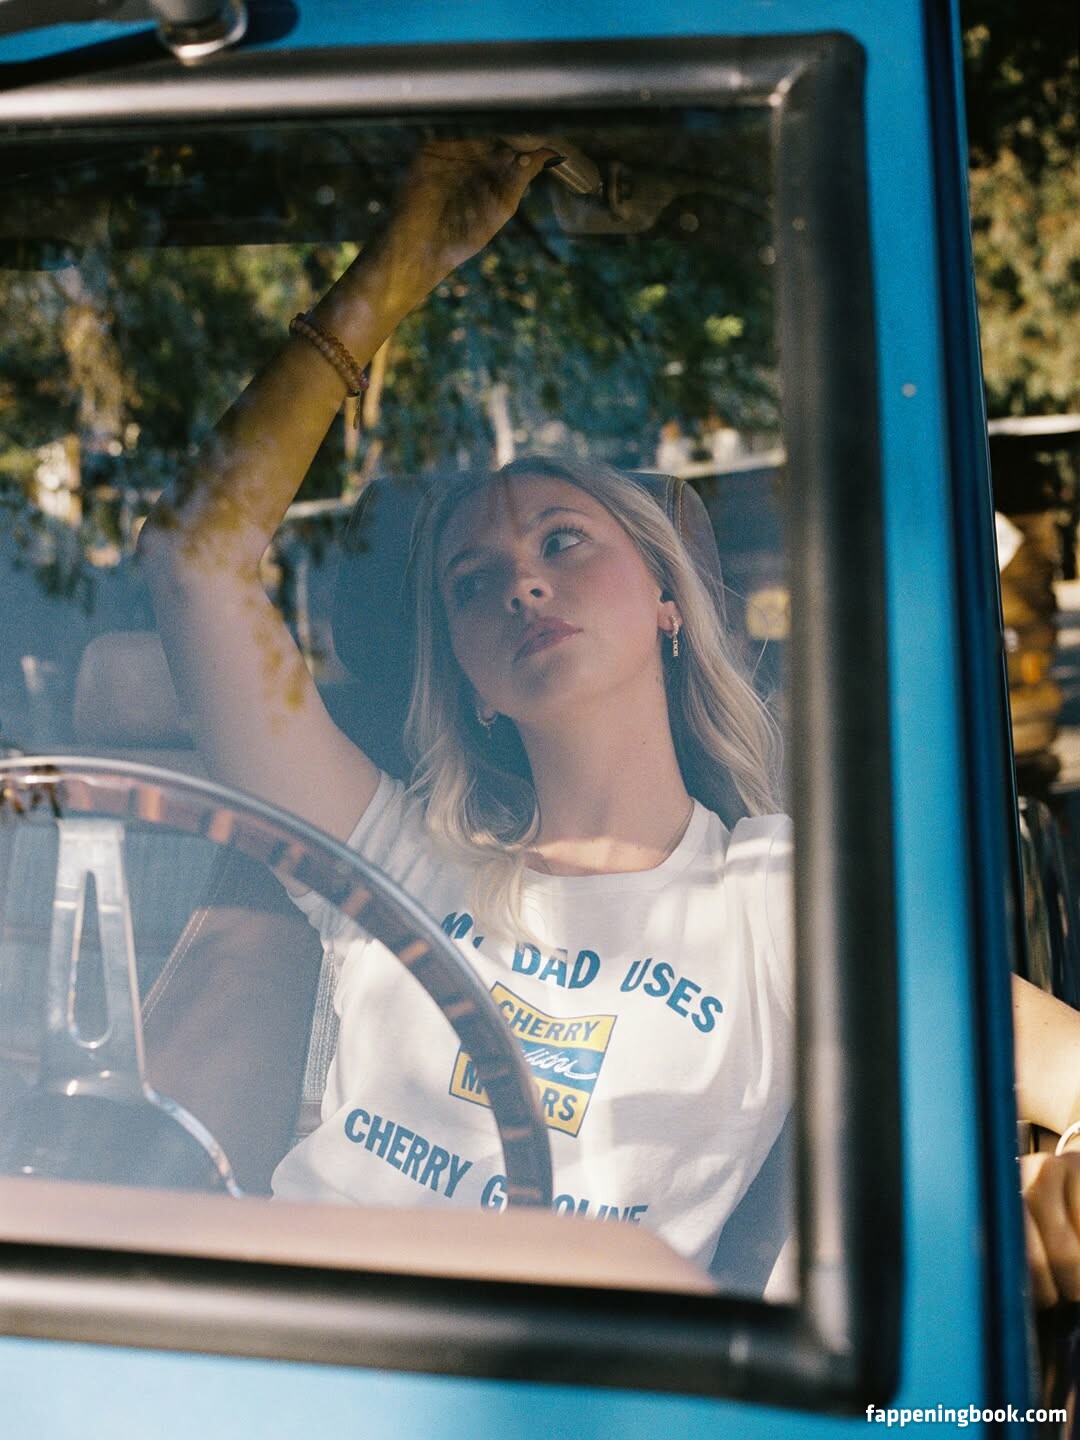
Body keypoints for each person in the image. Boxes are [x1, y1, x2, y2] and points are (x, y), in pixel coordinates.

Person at [139, 139, 1079, 1302]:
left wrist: (1043, 1209)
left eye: (564, 540)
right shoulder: (391, 854)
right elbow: (193, 562)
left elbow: (1066, 1076)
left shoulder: (777, 897)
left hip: (580, 1377)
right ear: (472, 684)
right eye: (472, 582)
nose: (523, 582)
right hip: (291, 1340)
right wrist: (404, 258)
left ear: (669, 601)